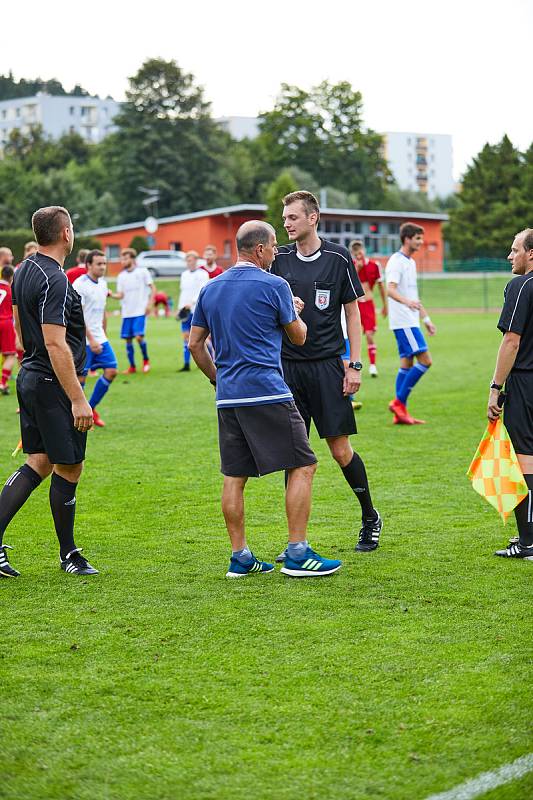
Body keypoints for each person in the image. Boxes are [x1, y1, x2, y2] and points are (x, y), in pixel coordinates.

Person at [188, 220, 342, 578]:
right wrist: (294, 311)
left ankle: (240, 557)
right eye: (273, 246)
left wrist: (216, 378)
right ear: (259, 250)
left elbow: (195, 344)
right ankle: (298, 553)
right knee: (303, 465)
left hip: (228, 397)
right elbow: (299, 338)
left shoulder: (210, 289)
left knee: (234, 476)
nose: (275, 252)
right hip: (268, 391)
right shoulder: (276, 286)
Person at [270, 190, 382, 554]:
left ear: (313, 217)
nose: (286, 223)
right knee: (293, 454)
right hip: (288, 369)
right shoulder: (278, 258)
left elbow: (352, 313)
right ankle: (295, 541)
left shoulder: (337, 257)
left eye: (292, 217)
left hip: (327, 367)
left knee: (339, 449)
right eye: (284, 218)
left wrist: (353, 364)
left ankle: (370, 517)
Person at [0, 206, 98, 579]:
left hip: (31, 375)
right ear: (65, 234)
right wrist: (77, 398)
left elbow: (23, 336)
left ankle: (66, 552)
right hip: (51, 383)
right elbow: (55, 344)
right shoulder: (55, 279)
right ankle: (69, 554)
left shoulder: (23, 268)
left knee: (38, 462)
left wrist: (35, 364)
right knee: (70, 465)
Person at [488, 228, 533, 560]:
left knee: (524, 459)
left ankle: (529, 542)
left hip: (525, 383)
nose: (510, 255)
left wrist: (495, 388)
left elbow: (512, 341)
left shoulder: (522, 286)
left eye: (515, 249)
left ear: (530, 254)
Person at [385, 222, 436, 425]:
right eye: (418, 238)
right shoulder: (396, 261)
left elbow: (414, 296)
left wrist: (426, 319)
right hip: (403, 321)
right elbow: (390, 289)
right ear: (407, 239)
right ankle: (399, 403)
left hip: (410, 320)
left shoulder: (411, 262)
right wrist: (407, 303)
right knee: (426, 360)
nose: (421, 242)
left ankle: (400, 412)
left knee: (406, 363)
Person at [73, 250, 118, 428]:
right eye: (99, 264)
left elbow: (102, 312)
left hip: (100, 337)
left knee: (112, 371)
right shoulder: (80, 285)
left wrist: (103, 335)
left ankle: (90, 410)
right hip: (83, 340)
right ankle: (78, 416)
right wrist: (91, 339)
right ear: (88, 265)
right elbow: (77, 317)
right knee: (80, 380)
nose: (103, 267)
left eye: (104, 263)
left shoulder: (104, 284)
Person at [351, 240, 387, 377]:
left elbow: (381, 287)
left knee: (370, 335)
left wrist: (385, 305)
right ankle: (356, 362)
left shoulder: (374, 265)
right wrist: (357, 269)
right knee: (355, 334)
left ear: (364, 251)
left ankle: (373, 365)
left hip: (368, 304)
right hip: (355, 305)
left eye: (360, 252)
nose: (358, 255)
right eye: (356, 253)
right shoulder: (352, 266)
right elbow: (349, 284)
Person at [115, 247, 154, 374]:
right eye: (122, 259)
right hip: (127, 312)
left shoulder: (142, 272)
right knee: (128, 339)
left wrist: (150, 303)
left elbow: (153, 288)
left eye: (125, 258)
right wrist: (110, 294)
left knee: (138, 337)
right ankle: (132, 366)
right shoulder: (121, 276)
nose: (123, 261)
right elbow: (120, 295)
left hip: (140, 311)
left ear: (132, 259)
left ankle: (146, 361)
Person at [177, 250, 208, 372]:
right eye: (187, 260)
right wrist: (180, 307)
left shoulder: (202, 274)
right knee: (185, 337)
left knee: (200, 339)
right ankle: (186, 364)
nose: (189, 263)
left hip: (197, 310)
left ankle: (207, 362)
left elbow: (202, 291)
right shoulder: (184, 274)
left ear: (196, 260)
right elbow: (183, 292)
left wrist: (192, 302)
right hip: (185, 310)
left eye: (190, 260)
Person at [0, 266, 17, 395]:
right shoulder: (11, 291)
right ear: (11, 277)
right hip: (5, 323)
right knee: (10, 355)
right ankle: (3, 383)